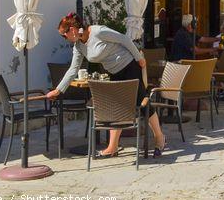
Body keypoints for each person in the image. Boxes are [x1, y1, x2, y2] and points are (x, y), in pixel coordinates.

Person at [46, 13, 167, 158]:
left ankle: (159, 137)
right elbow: (73, 69)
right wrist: (58, 90)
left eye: (63, 35)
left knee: (142, 104)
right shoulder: (78, 46)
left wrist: (139, 58)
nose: (64, 39)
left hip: (130, 67)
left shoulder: (98, 31)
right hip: (114, 73)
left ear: (72, 29)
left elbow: (124, 39)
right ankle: (112, 147)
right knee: (117, 106)